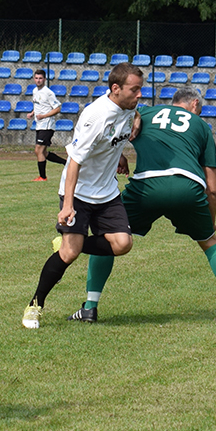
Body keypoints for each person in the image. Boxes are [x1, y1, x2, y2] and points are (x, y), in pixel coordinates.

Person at [68, 87, 216, 326]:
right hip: (187, 188)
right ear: (193, 105)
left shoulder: (145, 113)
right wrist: (209, 221)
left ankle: (89, 307)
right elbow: (212, 187)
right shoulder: (202, 127)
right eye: (198, 110)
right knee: (210, 243)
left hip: (146, 187)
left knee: (107, 237)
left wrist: (121, 153)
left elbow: (111, 129)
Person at [22, 62, 142, 329]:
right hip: (78, 192)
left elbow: (125, 127)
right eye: (134, 90)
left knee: (123, 244)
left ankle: (66, 241)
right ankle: (35, 305)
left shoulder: (129, 107)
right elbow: (74, 161)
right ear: (115, 89)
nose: (139, 95)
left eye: (140, 90)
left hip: (107, 192)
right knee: (69, 254)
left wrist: (119, 153)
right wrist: (67, 206)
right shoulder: (95, 115)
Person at [27, 69, 66, 181]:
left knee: (38, 150)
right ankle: (65, 162)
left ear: (44, 79)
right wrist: (32, 113)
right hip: (39, 125)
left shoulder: (48, 93)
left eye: (40, 78)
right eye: (36, 78)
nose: (38, 80)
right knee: (43, 152)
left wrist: (44, 116)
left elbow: (57, 108)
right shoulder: (35, 91)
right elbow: (38, 105)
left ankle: (43, 177)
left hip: (47, 125)